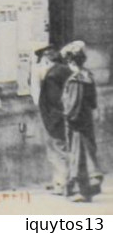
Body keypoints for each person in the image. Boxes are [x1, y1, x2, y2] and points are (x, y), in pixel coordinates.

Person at [60, 41, 103, 202]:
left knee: (78, 156)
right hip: (87, 120)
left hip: (76, 123)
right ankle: (86, 190)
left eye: (69, 61)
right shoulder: (88, 76)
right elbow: (93, 102)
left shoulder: (75, 80)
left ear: (71, 61)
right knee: (86, 153)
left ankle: (82, 191)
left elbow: (72, 105)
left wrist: (68, 117)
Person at [34, 43, 69, 195]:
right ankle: (60, 181)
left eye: (41, 62)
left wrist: (53, 120)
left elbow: (55, 101)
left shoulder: (52, 76)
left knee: (57, 153)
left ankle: (62, 184)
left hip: (55, 121)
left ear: (47, 61)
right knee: (64, 151)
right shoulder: (65, 71)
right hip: (65, 119)